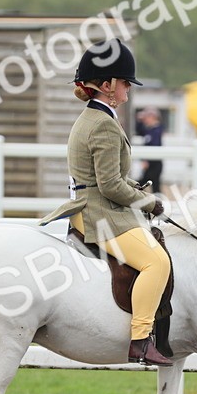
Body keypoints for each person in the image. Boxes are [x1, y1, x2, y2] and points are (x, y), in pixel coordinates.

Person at [39, 39, 172, 366]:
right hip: (99, 214)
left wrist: (139, 192)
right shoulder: (103, 125)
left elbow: (109, 177)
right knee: (158, 263)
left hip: (90, 207)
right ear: (108, 85)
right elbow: (111, 186)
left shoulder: (94, 119)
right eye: (125, 81)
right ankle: (141, 339)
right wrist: (148, 203)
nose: (128, 88)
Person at [134, 107, 164, 193]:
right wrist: (140, 119)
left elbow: (155, 145)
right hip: (149, 164)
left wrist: (146, 160)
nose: (146, 120)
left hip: (154, 164)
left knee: (148, 184)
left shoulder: (157, 130)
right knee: (149, 184)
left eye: (147, 117)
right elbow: (138, 129)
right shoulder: (149, 130)